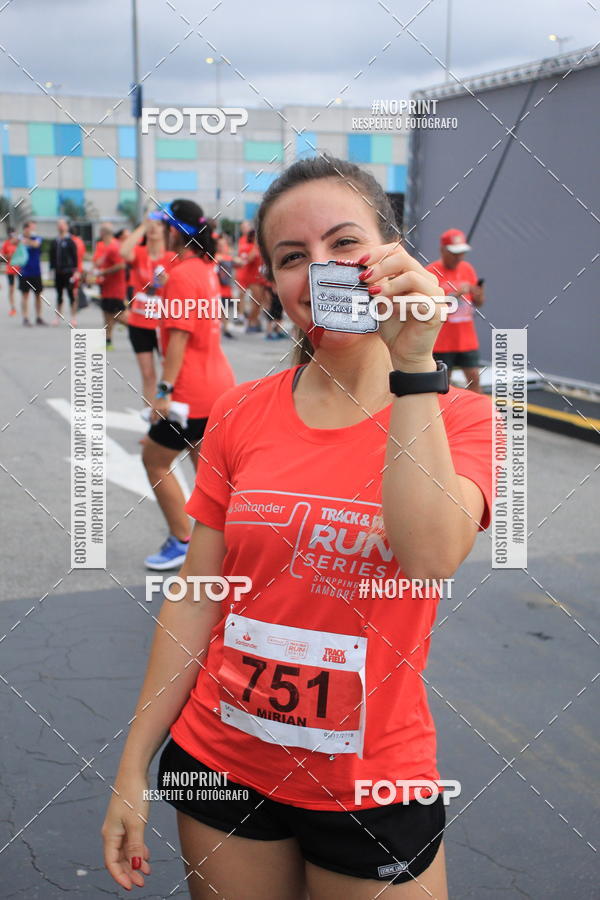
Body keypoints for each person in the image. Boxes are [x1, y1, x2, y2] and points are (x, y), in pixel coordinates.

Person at [102, 156, 493, 899]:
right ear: (274, 282)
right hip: (220, 761)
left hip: (371, 781)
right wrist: (131, 767)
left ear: (392, 253)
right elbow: (197, 595)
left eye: (344, 244)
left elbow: (432, 556)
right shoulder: (244, 411)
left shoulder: (462, 416)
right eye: (291, 257)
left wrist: (414, 365)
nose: (321, 270)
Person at [140, 199, 236, 571]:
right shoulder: (204, 269)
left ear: (176, 231)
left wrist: (162, 395)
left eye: (164, 225)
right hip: (216, 385)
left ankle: (182, 539)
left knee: (153, 459)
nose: (160, 231)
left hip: (191, 392)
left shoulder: (181, 275)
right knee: (206, 471)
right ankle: (224, 546)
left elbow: (177, 341)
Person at [120, 216, 172, 406]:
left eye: (158, 225)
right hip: (139, 324)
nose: (154, 229)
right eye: (152, 225)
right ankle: (152, 420)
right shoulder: (139, 254)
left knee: (168, 375)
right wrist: (143, 224)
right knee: (148, 375)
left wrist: (169, 282)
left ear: (165, 231)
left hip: (163, 324)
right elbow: (124, 251)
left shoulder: (171, 257)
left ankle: (167, 419)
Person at [426, 229, 485, 393]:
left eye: (462, 253)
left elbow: (479, 302)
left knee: (474, 378)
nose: (459, 257)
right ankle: (445, 416)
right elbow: (427, 307)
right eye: (454, 253)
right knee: (444, 383)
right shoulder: (431, 272)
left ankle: (477, 414)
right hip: (442, 339)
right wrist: (456, 294)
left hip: (467, 337)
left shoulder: (467, 269)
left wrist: (478, 294)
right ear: (443, 250)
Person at [92, 223, 127, 349]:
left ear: (102, 233)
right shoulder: (108, 246)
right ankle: (108, 341)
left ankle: (138, 328)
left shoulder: (114, 246)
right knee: (107, 314)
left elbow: (121, 265)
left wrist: (103, 272)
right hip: (107, 287)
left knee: (116, 315)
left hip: (115, 288)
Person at [236, 225, 268, 332]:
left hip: (260, 278)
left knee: (261, 301)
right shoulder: (250, 247)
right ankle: (250, 321)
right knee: (257, 301)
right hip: (252, 278)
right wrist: (254, 248)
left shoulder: (262, 248)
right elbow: (247, 260)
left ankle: (254, 320)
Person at [49, 218, 78, 326]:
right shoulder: (55, 241)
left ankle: (74, 317)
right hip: (58, 272)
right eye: (59, 224)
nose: (60, 226)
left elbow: (75, 257)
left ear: (66, 226)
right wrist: (51, 269)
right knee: (59, 295)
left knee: (71, 295)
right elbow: (52, 257)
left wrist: (75, 270)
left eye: (62, 224)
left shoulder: (70, 241)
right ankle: (58, 317)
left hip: (69, 272)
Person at [18, 221, 45, 326]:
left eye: (34, 228)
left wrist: (25, 240)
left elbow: (36, 244)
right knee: (25, 295)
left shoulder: (37, 238)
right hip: (24, 272)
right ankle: (25, 317)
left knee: (38, 295)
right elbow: (12, 242)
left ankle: (39, 317)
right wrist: (20, 239)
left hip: (36, 272)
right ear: (26, 229)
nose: (33, 230)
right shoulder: (19, 239)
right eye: (31, 228)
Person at [215, 234, 236, 339]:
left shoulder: (229, 257)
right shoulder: (215, 256)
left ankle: (226, 329)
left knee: (225, 309)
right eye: (219, 245)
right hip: (217, 288)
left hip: (226, 288)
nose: (221, 247)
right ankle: (217, 328)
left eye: (223, 245)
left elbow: (239, 262)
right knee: (217, 309)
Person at [1, 227, 19, 316]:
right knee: (11, 289)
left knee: (25, 290)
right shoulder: (6, 244)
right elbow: (2, 256)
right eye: (11, 233)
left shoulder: (19, 243)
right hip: (10, 269)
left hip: (21, 269)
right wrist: (9, 255)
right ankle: (13, 308)